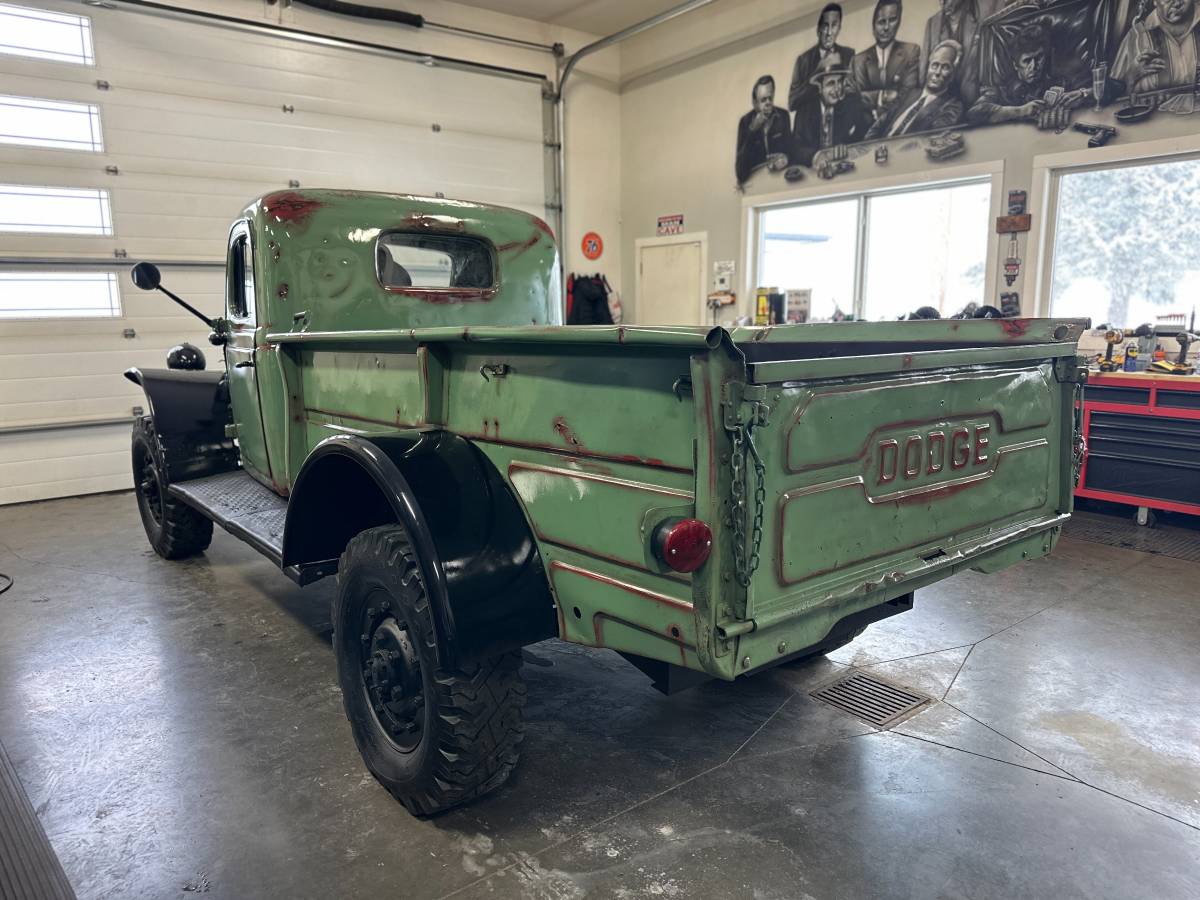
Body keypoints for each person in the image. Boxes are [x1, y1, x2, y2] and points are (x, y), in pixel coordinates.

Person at [966, 20, 1088, 125]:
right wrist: (1021, 111)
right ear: (1016, 65)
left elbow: (1101, 90)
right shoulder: (1003, 90)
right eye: (1027, 60)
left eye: (1038, 58)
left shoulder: (1059, 82)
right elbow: (974, 113)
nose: (1034, 66)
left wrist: (1082, 94)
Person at [1112, 0, 1200, 114]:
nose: (1177, 3)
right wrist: (1131, 76)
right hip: (1151, 127)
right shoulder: (1137, 37)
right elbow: (1111, 98)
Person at [868, 40, 965, 138]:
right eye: (934, 65)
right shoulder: (909, 94)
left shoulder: (953, 106)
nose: (937, 72)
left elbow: (934, 138)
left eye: (945, 67)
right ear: (928, 68)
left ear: (953, 75)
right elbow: (879, 125)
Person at [792, 54, 875, 167]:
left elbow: (868, 133)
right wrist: (815, 156)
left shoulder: (852, 104)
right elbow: (796, 148)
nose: (837, 89)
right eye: (831, 83)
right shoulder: (804, 111)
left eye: (839, 82)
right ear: (820, 87)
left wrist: (846, 146)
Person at [851, 0, 922, 118]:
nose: (886, 27)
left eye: (892, 20)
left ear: (899, 21)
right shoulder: (858, 60)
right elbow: (854, 99)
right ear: (873, 26)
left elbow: (909, 95)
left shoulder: (911, 51)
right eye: (881, 22)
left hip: (897, 124)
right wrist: (882, 95)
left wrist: (877, 108)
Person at [788, 3, 856, 116]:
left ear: (839, 28)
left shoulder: (849, 55)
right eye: (825, 26)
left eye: (834, 25)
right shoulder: (803, 60)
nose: (829, 33)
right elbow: (792, 103)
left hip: (839, 127)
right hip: (810, 130)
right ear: (818, 30)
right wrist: (818, 71)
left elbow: (853, 94)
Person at [735, 75, 792, 185]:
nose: (768, 103)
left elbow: (792, 151)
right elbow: (740, 173)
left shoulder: (783, 116)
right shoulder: (745, 122)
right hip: (757, 184)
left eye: (770, 98)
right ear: (755, 103)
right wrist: (752, 130)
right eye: (763, 100)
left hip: (779, 179)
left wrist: (786, 158)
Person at [922, 0, 981, 104]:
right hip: (933, 103)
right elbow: (923, 68)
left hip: (966, 101)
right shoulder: (932, 23)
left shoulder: (979, 24)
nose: (942, 2)